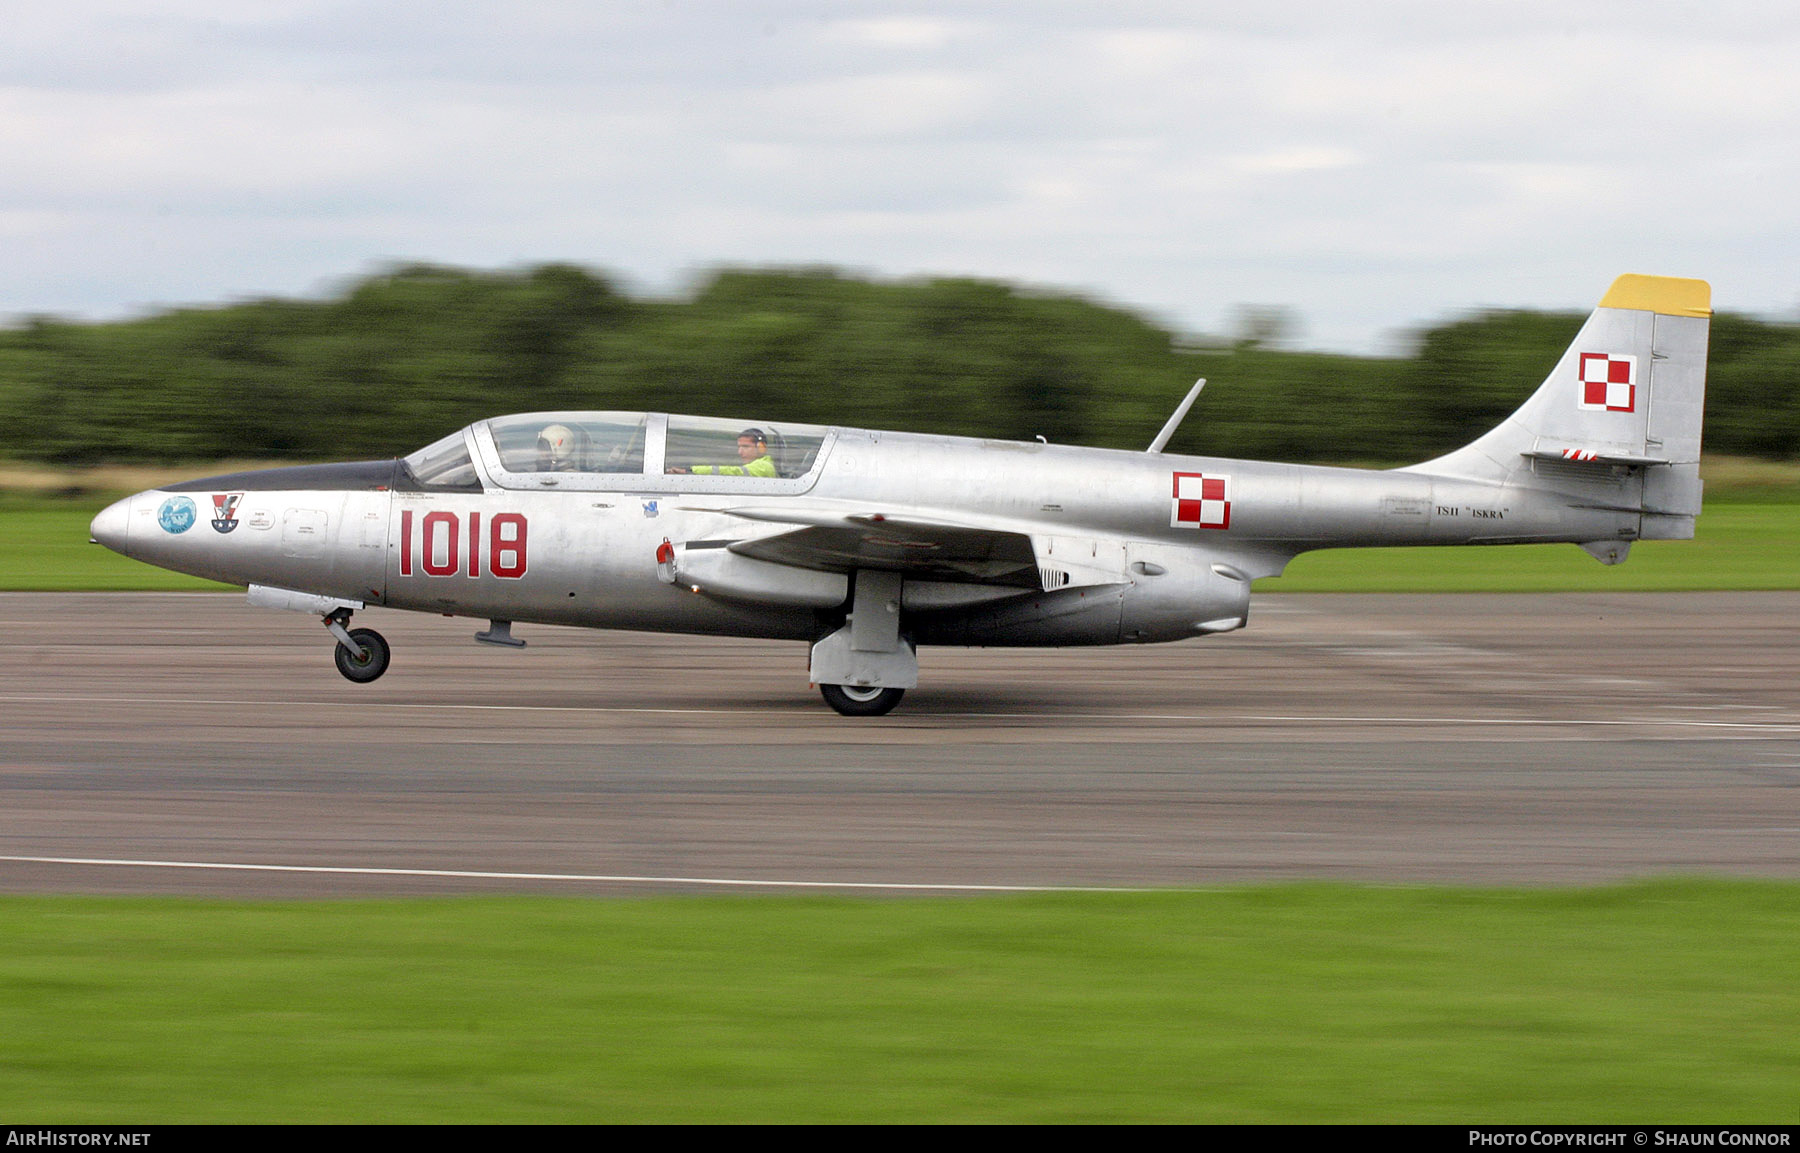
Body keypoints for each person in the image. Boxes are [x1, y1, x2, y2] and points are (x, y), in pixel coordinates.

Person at [668, 428, 778, 477]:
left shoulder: (764, 467)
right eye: (739, 447)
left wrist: (690, 471)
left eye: (745, 447)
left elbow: (732, 472)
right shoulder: (758, 466)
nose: (740, 452)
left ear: (761, 448)